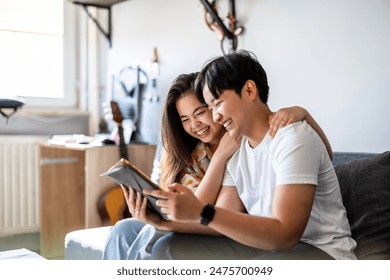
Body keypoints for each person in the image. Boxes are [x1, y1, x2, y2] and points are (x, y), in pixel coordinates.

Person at [145, 50, 357, 260]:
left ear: (248, 90)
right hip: (267, 248)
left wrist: (201, 211)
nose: (216, 117)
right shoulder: (236, 151)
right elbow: (222, 218)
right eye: (210, 108)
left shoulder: (293, 138)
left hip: (320, 252)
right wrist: (164, 223)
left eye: (217, 104)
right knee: (168, 247)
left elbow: (286, 235)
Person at [102, 71, 334, 260]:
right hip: (204, 223)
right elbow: (191, 211)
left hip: (228, 228)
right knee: (124, 230)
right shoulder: (191, 153)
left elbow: (321, 155)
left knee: (159, 240)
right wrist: (156, 216)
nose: (195, 125)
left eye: (201, 112)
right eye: (185, 120)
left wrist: (304, 114)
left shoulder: (250, 140)